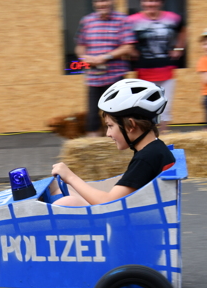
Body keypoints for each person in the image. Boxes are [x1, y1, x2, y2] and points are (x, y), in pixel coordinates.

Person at [51, 79, 174, 207]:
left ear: (130, 125)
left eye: (110, 126)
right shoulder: (154, 150)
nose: (108, 134)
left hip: (128, 221)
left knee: (68, 202)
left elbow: (109, 202)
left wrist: (70, 176)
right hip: (135, 212)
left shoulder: (146, 158)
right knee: (56, 189)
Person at [75, 0, 137, 137]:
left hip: (115, 78)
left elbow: (128, 47)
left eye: (104, 0)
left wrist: (105, 57)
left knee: (119, 115)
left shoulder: (123, 20)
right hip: (93, 79)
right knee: (92, 119)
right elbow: (80, 46)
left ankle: (122, 148)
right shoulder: (87, 21)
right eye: (97, 1)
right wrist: (85, 59)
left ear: (112, 1)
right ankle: (95, 152)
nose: (101, 4)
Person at [127, 0, 187, 132]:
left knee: (165, 107)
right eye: (147, 1)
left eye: (154, 0)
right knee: (146, 107)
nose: (150, 4)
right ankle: (149, 138)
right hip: (143, 72)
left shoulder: (172, 18)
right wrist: (131, 50)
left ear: (161, 2)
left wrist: (179, 48)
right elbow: (123, 38)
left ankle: (164, 136)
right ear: (142, 3)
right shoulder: (132, 20)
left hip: (166, 71)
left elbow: (184, 30)